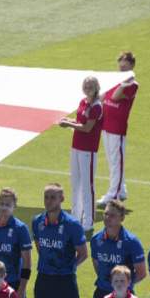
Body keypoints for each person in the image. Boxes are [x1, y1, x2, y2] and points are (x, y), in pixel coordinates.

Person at [58, 76, 103, 231]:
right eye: (85, 85)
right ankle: (75, 217)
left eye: (90, 85)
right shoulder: (83, 102)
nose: (87, 88)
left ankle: (88, 221)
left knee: (87, 185)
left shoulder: (97, 106)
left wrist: (68, 124)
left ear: (96, 87)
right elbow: (79, 122)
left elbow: (87, 128)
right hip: (76, 147)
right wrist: (69, 120)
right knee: (75, 183)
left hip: (88, 150)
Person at [99, 51, 138, 206]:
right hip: (106, 126)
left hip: (117, 128)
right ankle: (121, 190)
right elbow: (101, 98)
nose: (122, 69)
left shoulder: (132, 85)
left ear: (132, 67)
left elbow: (115, 96)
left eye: (125, 67)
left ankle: (112, 194)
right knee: (111, 160)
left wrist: (124, 81)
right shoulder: (113, 80)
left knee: (116, 161)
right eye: (120, 66)